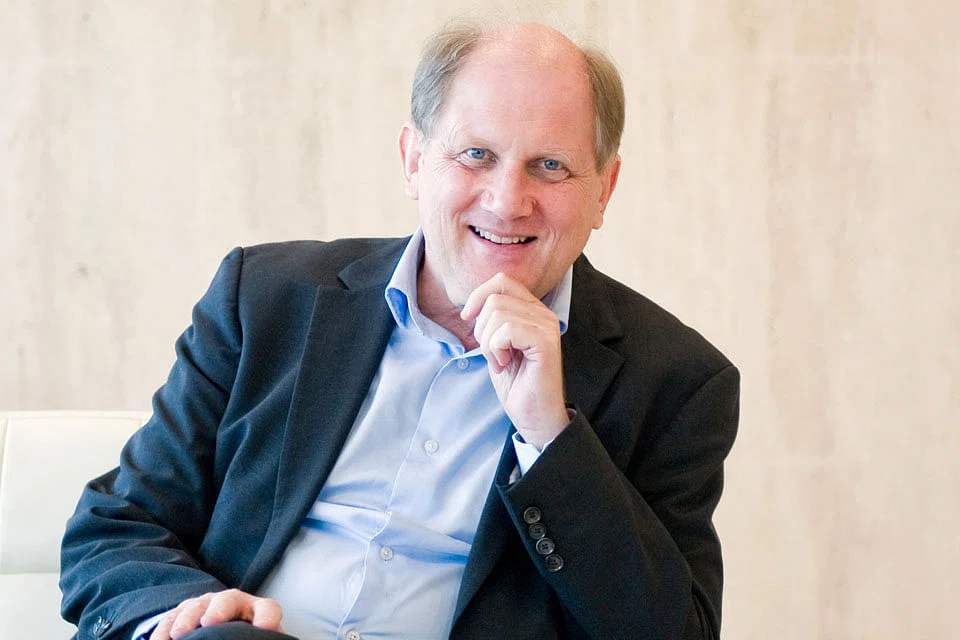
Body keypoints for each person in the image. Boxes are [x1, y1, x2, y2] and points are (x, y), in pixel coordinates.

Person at [60, 20, 739, 640]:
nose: (508, 201)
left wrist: (549, 439)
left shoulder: (676, 383)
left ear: (604, 191)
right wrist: (189, 617)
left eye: (550, 166)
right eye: (476, 154)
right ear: (414, 160)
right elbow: (116, 527)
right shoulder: (264, 298)